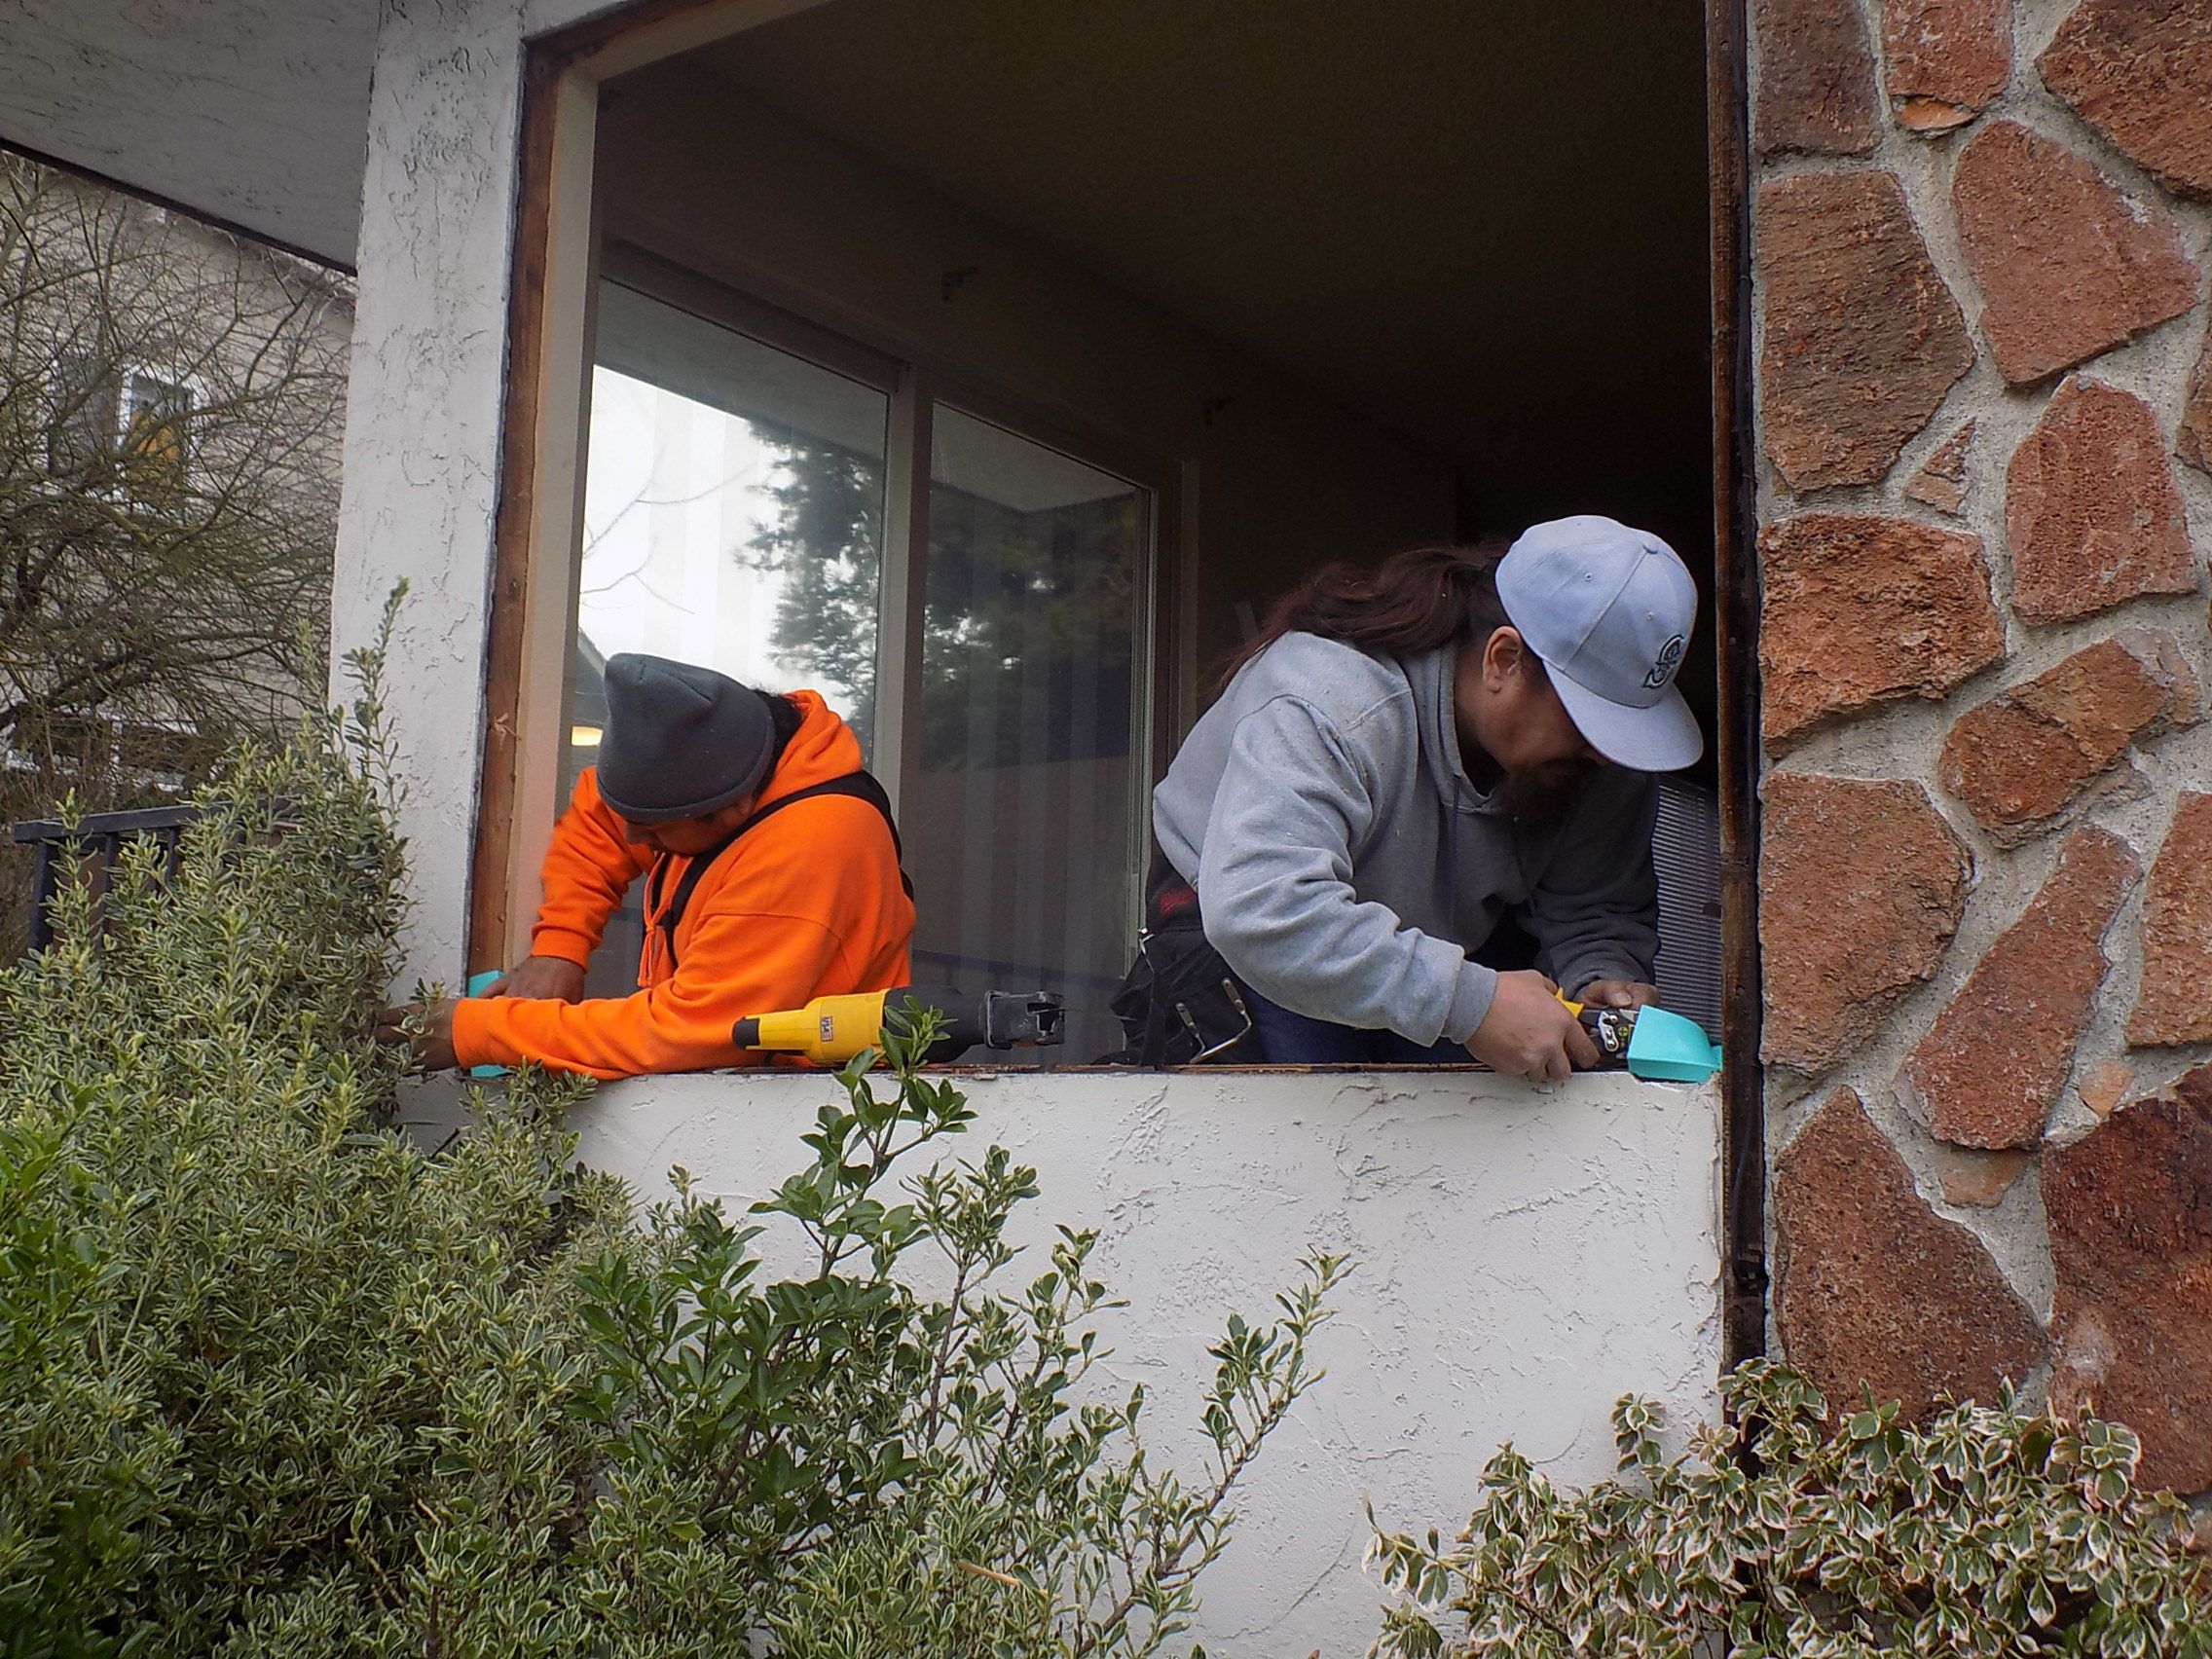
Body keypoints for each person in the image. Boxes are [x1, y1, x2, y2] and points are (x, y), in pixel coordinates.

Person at [1128, 515, 1701, 1082]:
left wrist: (1599, 973)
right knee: (1313, 1150)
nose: (1605, 753)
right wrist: (1468, 1001)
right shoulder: (1330, 700)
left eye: (1620, 726)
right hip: (1249, 941)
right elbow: (1264, 911)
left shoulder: (1590, 760)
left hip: (1427, 961)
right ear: (1503, 660)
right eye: (1590, 721)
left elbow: (1595, 907)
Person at [378, 653, 915, 1079]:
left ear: (733, 807)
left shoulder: (813, 846)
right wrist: (560, 948)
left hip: (814, 1123)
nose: (633, 838)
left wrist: (477, 1030)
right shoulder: (717, 764)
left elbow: (688, 1031)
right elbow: (601, 823)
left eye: (653, 829)